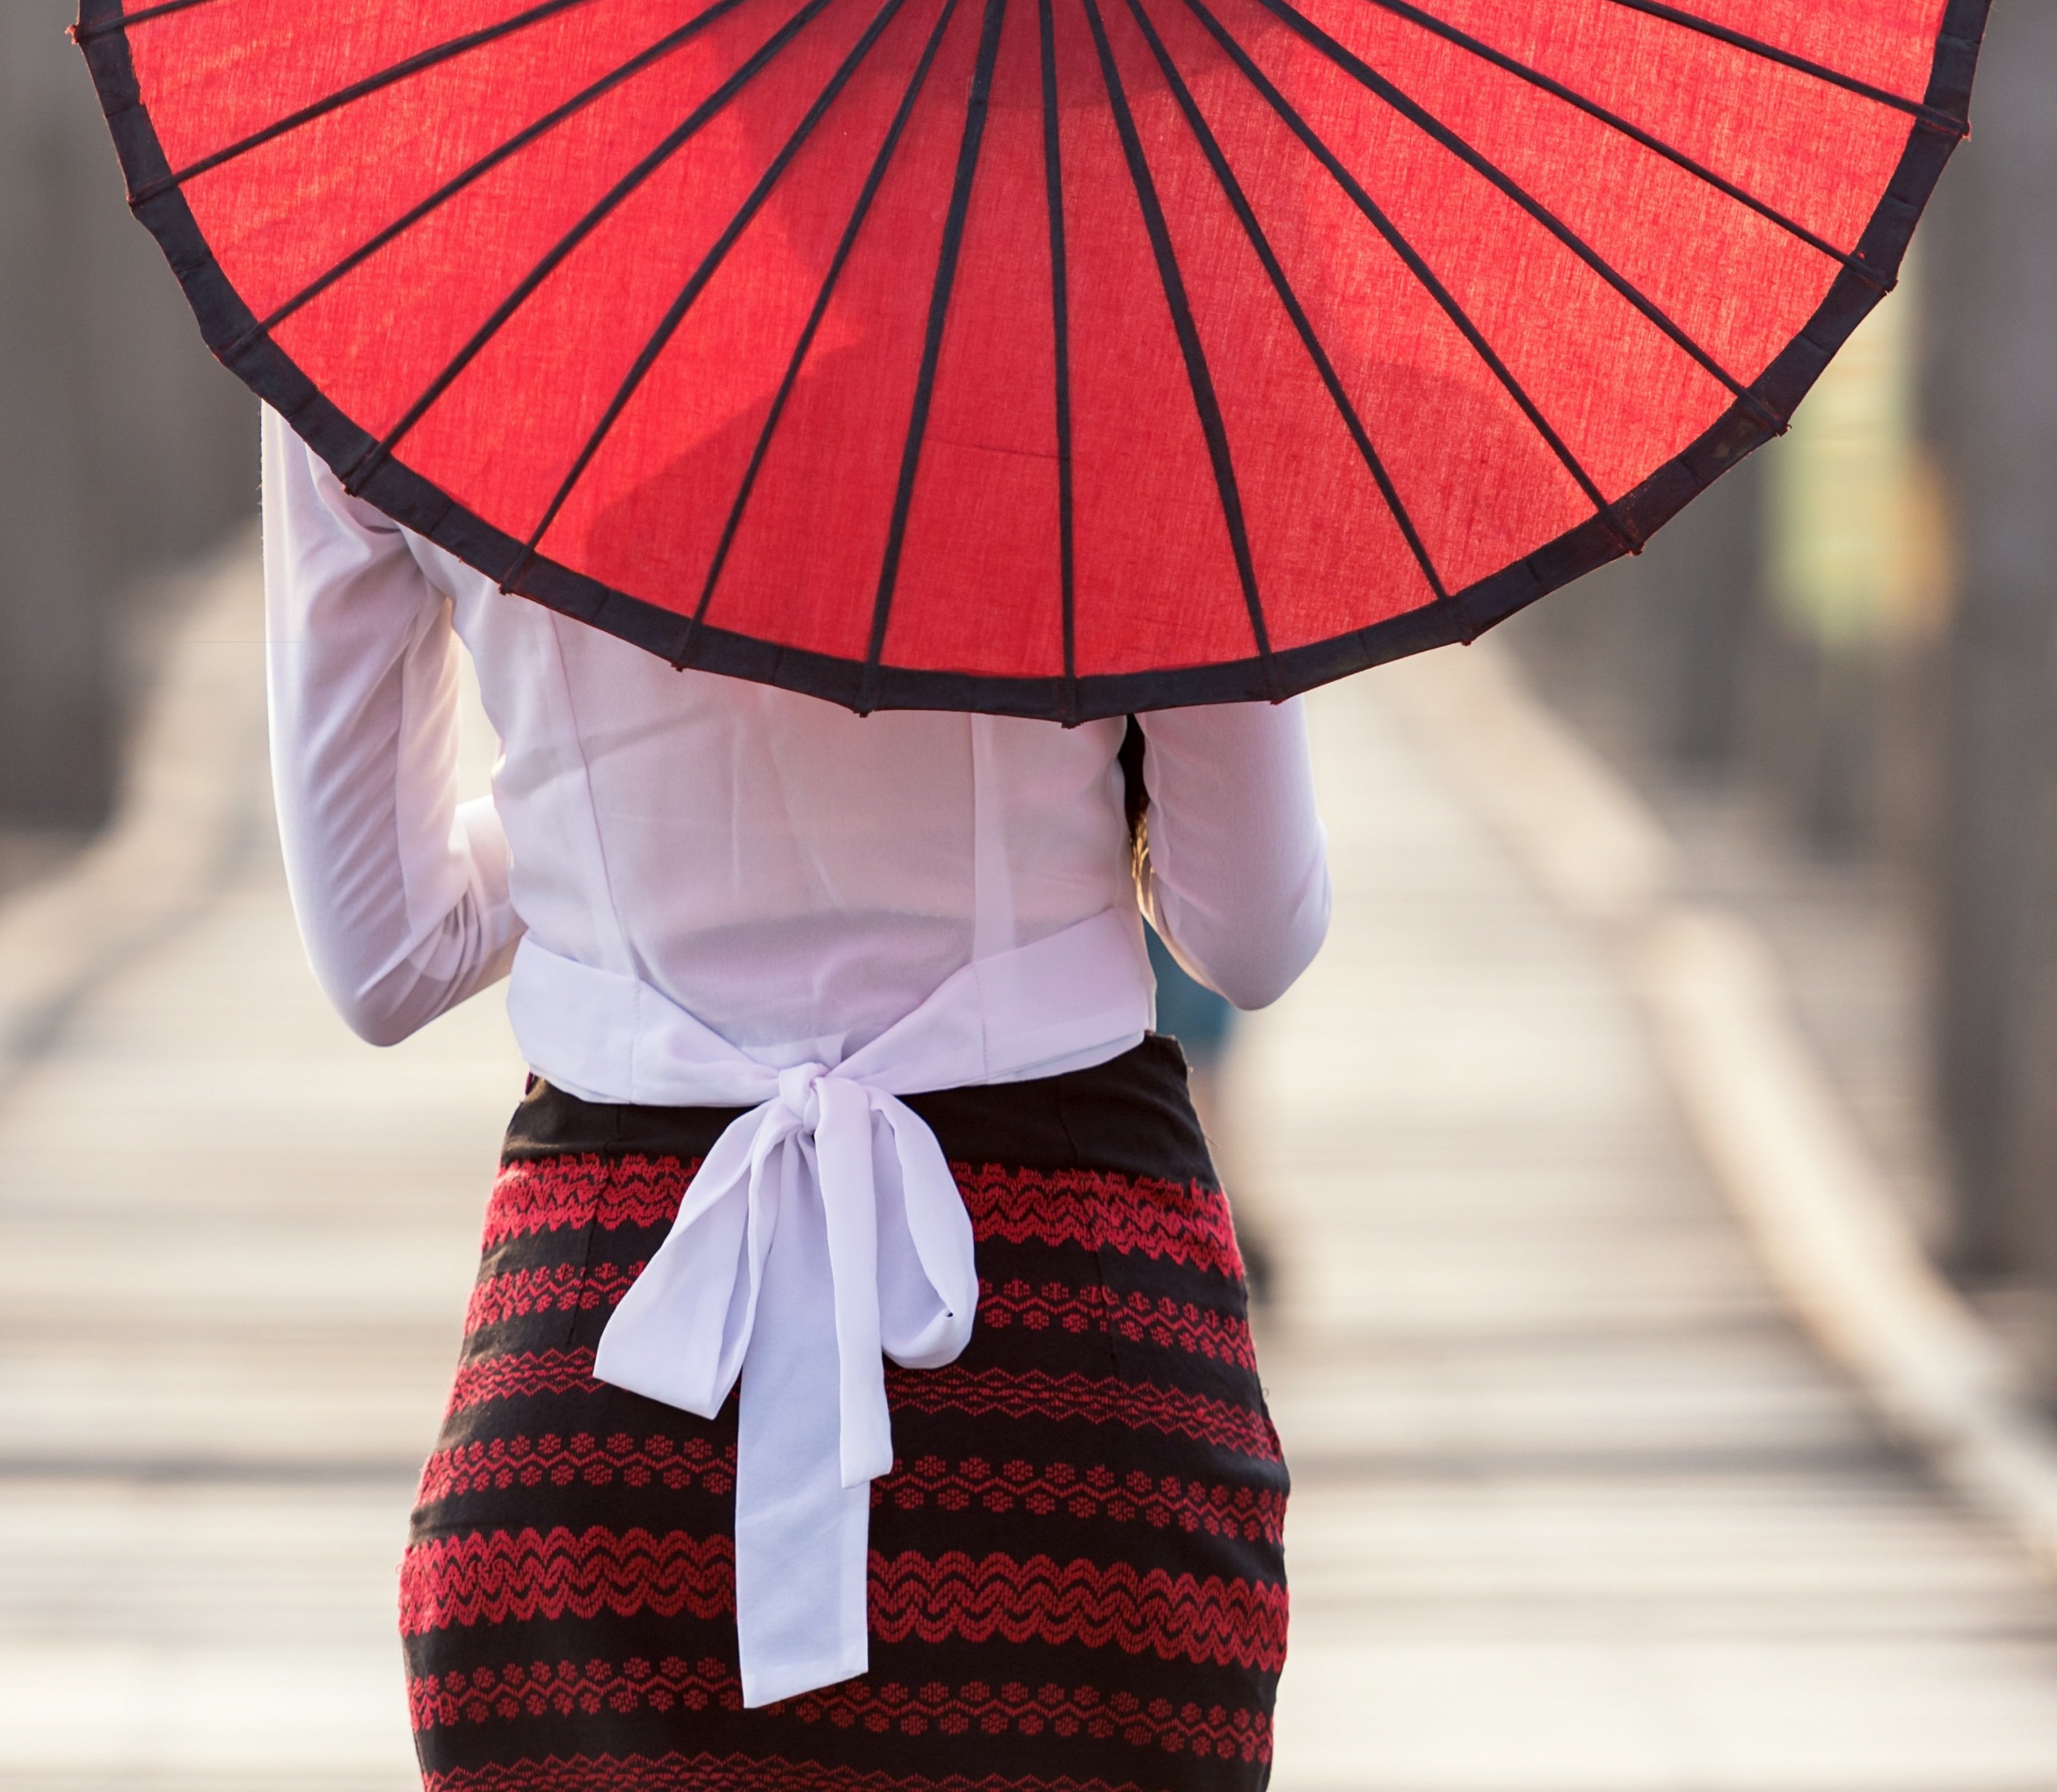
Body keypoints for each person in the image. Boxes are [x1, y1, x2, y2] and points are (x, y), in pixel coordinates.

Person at [265, 410, 1330, 1791]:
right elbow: (1248, 934)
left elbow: (387, 954)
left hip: (608, 1389)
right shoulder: (1132, 333)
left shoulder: (393, 329)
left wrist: (600, 810)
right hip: (1074, 1381)